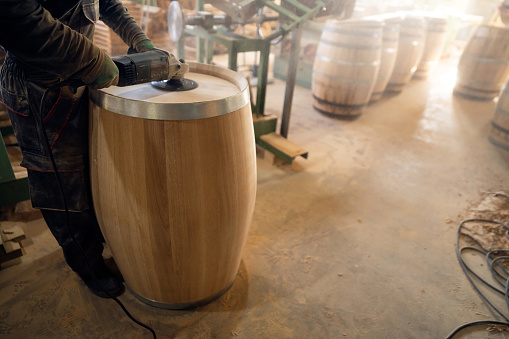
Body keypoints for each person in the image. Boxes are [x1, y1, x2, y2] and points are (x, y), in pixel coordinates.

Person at [0, 0, 157, 297]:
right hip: (37, 89)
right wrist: (96, 62)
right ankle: (87, 265)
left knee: (88, 168)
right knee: (62, 184)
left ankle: (97, 240)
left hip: (76, 76)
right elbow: (17, 19)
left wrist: (138, 37)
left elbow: (107, 3)